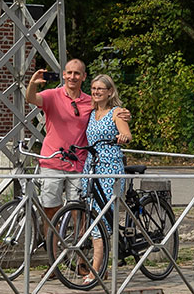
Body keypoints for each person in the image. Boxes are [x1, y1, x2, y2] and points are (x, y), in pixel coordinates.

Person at [25, 59, 91, 222]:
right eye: (69, 73)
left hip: (78, 163)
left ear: (84, 76)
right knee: (51, 211)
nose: (72, 77)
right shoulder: (52, 95)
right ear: (63, 75)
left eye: (77, 73)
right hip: (52, 161)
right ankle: (52, 247)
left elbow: (108, 110)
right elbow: (31, 99)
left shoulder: (90, 101)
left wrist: (122, 114)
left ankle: (78, 245)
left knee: (79, 210)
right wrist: (33, 83)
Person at [80, 74, 132, 274]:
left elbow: (127, 134)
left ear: (110, 92)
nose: (96, 92)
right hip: (92, 167)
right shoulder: (91, 113)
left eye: (100, 89)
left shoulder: (116, 112)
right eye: (93, 88)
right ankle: (101, 266)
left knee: (100, 218)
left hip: (110, 166)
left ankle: (96, 270)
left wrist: (123, 137)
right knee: (93, 215)